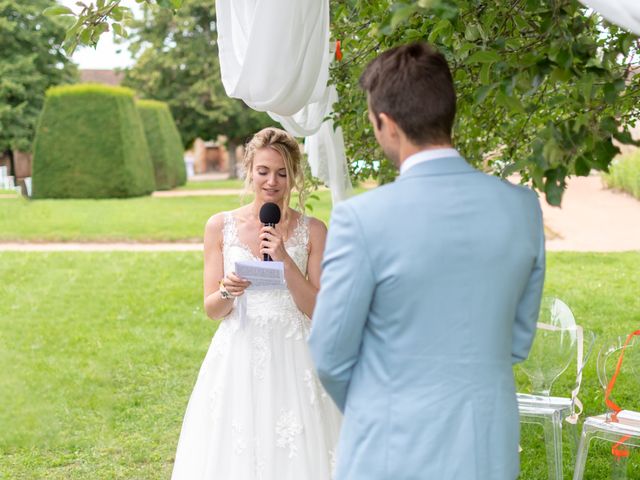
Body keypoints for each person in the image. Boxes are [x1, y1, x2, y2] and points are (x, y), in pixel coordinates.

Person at [309, 42, 545, 480]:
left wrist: (382, 411)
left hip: (391, 451)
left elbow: (329, 355)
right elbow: (516, 340)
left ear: (387, 124)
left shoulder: (361, 218)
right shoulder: (522, 208)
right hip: (487, 449)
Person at [171, 127, 341, 480]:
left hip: (296, 354)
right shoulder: (219, 226)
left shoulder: (314, 230)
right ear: (249, 171)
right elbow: (212, 309)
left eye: (282, 173)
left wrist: (285, 260)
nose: (272, 182)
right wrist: (229, 290)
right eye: (263, 171)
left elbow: (318, 310)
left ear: (294, 176)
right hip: (240, 351)